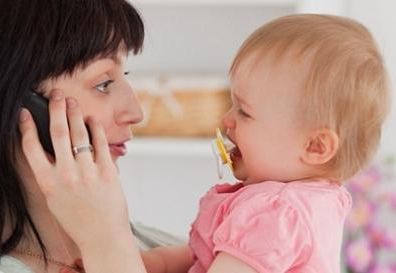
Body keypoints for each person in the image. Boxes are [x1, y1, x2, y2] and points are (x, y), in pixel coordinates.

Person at [137, 14, 392, 273]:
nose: (227, 119)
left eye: (244, 113)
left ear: (315, 146)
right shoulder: (303, 202)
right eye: (231, 104)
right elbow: (197, 257)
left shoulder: (279, 212)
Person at [0, 1, 192, 273]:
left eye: (124, 75)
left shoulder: (184, 256)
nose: (135, 112)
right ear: (24, 107)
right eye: (103, 84)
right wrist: (105, 248)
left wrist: (107, 244)